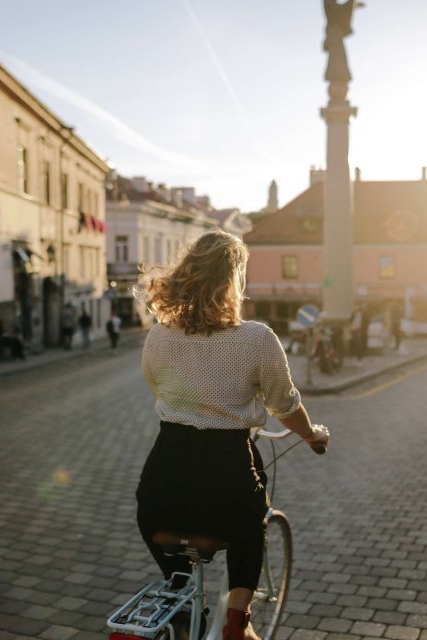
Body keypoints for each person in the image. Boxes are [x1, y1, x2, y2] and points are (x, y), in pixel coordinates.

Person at [136, 230, 330, 640]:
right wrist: (312, 435)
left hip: (161, 484)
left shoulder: (158, 336)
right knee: (249, 522)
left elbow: (161, 389)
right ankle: (237, 623)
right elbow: (285, 405)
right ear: (234, 279)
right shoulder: (256, 339)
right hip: (226, 477)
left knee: (156, 523)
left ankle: (181, 597)